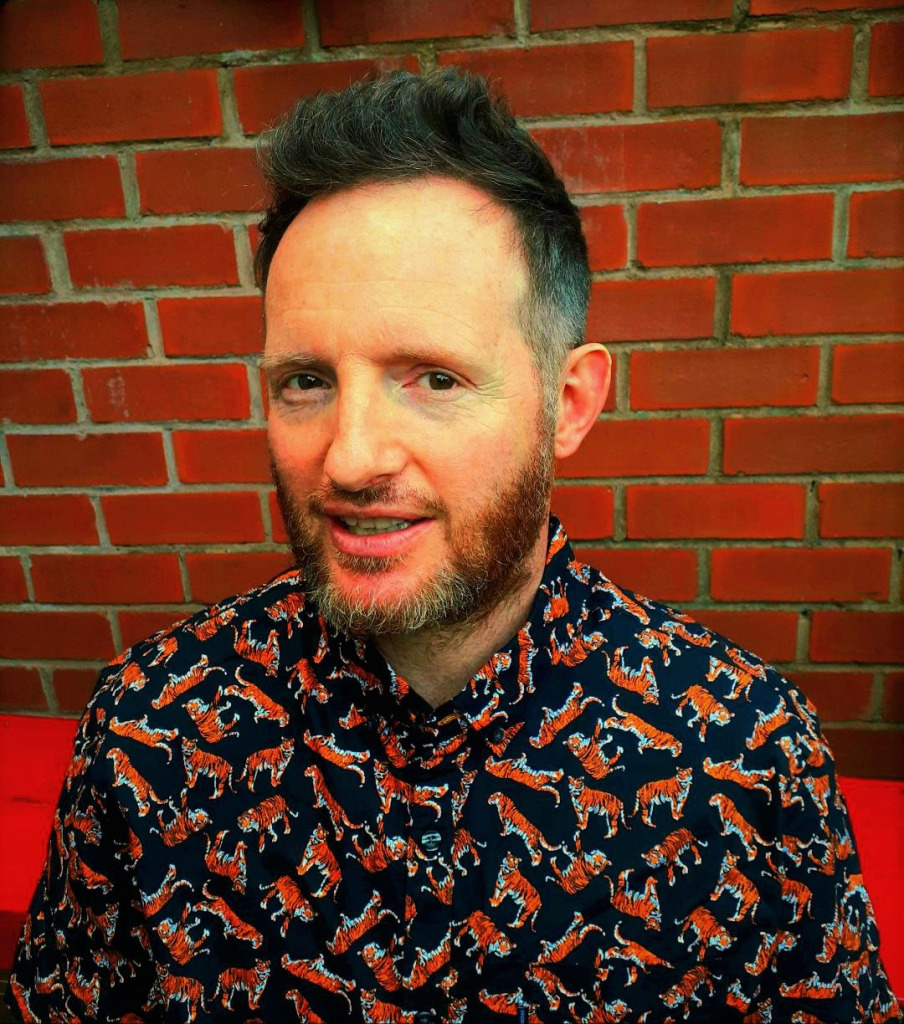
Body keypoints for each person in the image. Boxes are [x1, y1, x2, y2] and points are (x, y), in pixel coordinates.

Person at [7, 70, 900, 1024]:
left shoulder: (742, 757)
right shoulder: (152, 734)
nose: (349, 458)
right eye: (306, 380)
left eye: (433, 378)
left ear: (569, 403)